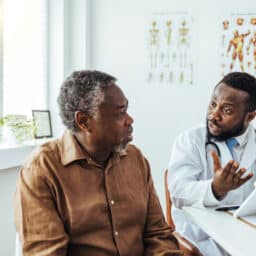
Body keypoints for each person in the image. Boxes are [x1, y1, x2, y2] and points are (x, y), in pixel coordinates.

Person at [14, 70, 183, 256]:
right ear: (84, 122)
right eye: (120, 113)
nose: (130, 120)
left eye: (127, 109)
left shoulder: (136, 160)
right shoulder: (41, 171)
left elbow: (157, 235)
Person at [168, 72, 256, 256]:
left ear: (250, 116)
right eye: (213, 104)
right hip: (201, 241)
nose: (213, 115)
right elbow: (177, 192)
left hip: (247, 235)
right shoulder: (190, 140)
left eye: (226, 110)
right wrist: (215, 189)